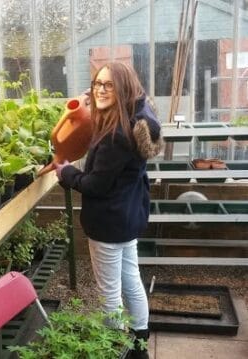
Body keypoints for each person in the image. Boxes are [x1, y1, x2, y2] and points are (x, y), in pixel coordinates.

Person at [55, 61, 162, 359]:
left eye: (108, 85)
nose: (100, 89)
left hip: (108, 223)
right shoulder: (139, 117)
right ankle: (140, 346)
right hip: (128, 217)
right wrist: (95, 99)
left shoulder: (116, 135)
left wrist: (65, 173)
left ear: (123, 89)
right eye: (97, 84)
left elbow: (95, 185)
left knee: (109, 293)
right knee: (131, 278)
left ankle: (113, 349)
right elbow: (137, 98)